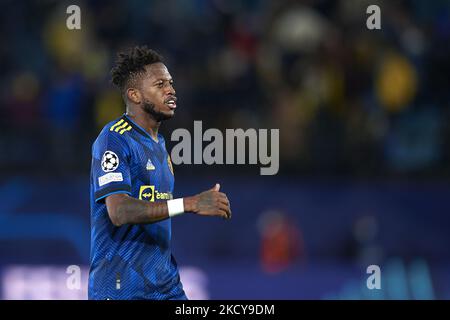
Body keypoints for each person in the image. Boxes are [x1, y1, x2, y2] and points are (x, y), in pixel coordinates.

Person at [88, 46, 232, 300]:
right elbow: (119, 212)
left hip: (164, 285)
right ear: (134, 94)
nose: (171, 90)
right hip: (121, 288)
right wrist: (190, 203)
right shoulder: (114, 139)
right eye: (160, 84)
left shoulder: (160, 145)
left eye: (171, 83)